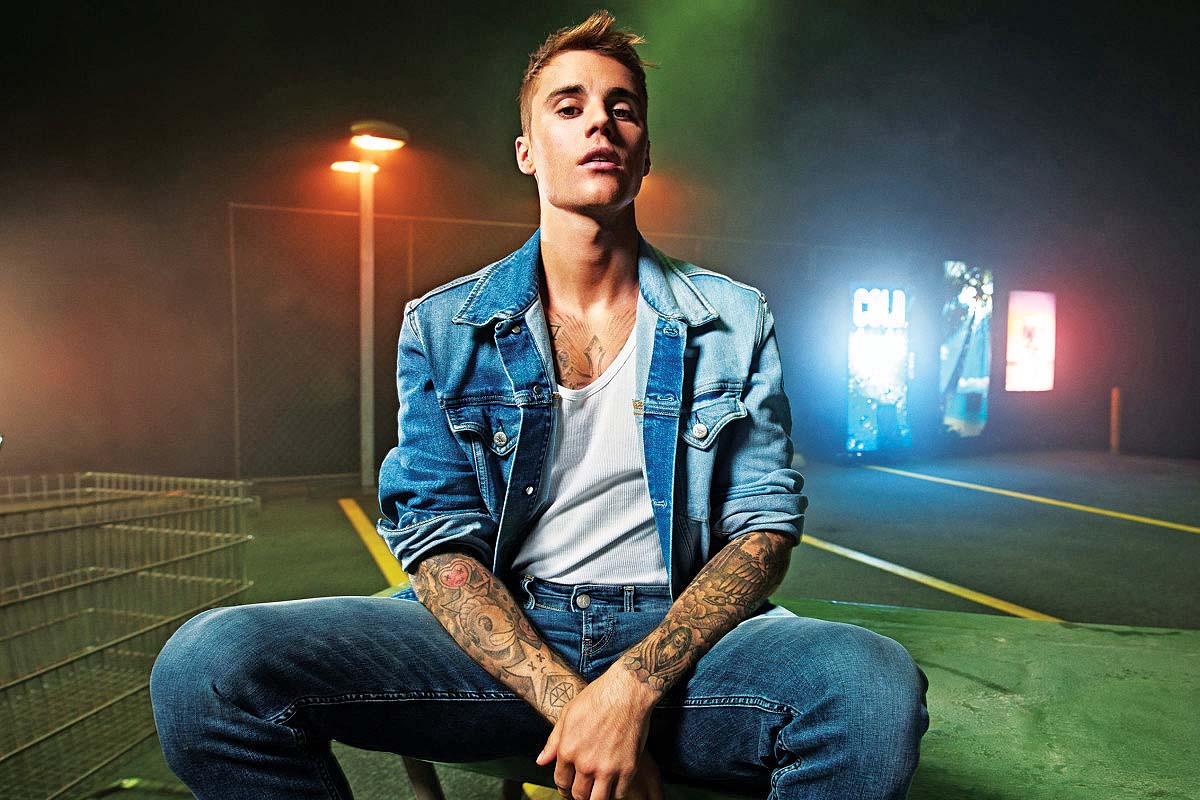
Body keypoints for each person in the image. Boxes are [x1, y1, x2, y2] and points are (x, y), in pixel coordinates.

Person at [150, 10, 929, 800]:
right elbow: (439, 542)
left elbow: (762, 529)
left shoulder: (732, 316)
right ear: (527, 151)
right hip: (503, 641)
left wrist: (630, 690)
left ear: (645, 151)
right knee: (208, 666)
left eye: (623, 108)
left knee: (867, 688)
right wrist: (574, 706)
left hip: (682, 646)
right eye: (569, 105)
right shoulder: (444, 325)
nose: (600, 122)